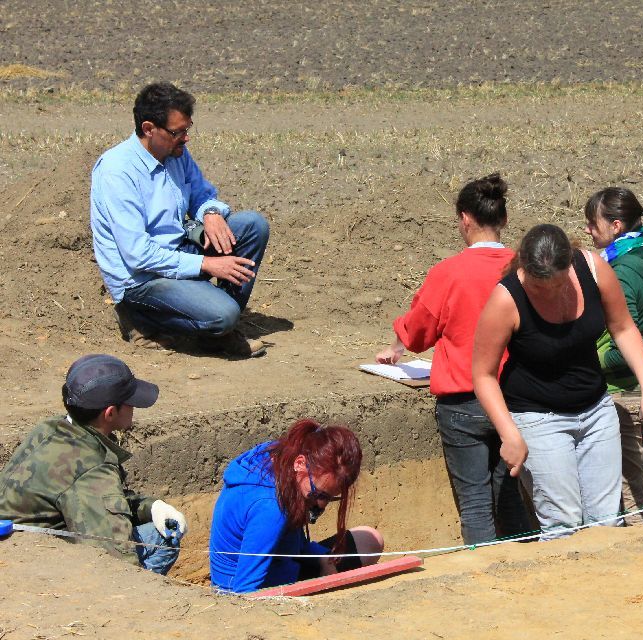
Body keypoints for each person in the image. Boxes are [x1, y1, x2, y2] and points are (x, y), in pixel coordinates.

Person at [472, 224, 643, 539]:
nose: (551, 292)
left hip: (596, 409)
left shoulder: (593, 269)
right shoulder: (506, 299)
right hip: (538, 416)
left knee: (607, 521)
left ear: (571, 263)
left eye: (559, 283)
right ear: (524, 269)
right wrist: (509, 433)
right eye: (539, 287)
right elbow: (483, 375)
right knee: (564, 524)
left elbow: (623, 327)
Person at [376, 173, 532, 545]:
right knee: (510, 495)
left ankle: (481, 570)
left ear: (464, 219)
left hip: (461, 402)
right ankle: (527, 560)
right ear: (504, 219)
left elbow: (417, 333)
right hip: (514, 399)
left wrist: (397, 345)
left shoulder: (447, 273)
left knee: (475, 504)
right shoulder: (524, 269)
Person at [90, 82, 270, 358]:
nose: (185, 139)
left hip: (177, 251)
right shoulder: (117, 172)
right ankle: (142, 321)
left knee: (252, 225)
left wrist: (210, 213)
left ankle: (219, 333)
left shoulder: (175, 153)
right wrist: (207, 263)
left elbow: (203, 194)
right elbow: (137, 255)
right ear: (149, 129)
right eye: (178, 132)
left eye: (188, 129)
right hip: (143, 280)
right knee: (223, 314)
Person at [0, 354, 187, 575]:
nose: (134, 409)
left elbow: (102, 499)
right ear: (110, 413)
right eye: (130, 403)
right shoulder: (93, 468)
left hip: (18, 544)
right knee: (163, 538)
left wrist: (151, 506)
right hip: (36, 565)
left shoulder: (51, 428)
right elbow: (114, 556)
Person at [584, 187, 643, 525]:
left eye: (593, 224)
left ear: (616, 226)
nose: (588, 230)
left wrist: (590, 365)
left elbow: (627, 341)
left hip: (627, 392)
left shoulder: (621, 272)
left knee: (631, 485)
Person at [209, 419, 384, 594]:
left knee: (370, 540)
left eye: (330, 498)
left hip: (282, 566)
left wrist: (323, 559)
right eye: (319, 494)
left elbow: (293, 545)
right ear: (300, 463)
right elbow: (244, 592)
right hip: (251, 590)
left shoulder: (282, 457)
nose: (320, 505)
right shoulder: (270, 508)